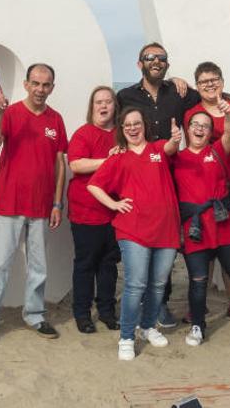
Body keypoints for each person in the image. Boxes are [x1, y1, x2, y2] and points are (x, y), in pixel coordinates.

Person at [116, 42, 207, 328]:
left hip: (173, 177)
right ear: (139, 63)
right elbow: (116, 127)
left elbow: (209, 98)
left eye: (161, 58)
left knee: (166, 239)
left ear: (167, 64)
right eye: (149, 57)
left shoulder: (179, 92)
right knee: (140, 239)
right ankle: (138, 300)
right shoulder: (125, 95)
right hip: (138, 179)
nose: (156, 61)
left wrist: (183, 82)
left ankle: (160, 303)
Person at [0, 64, 68, 343]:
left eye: (46, 84)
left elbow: (60, 164)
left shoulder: (56, 119)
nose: (41, 89)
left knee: (38, 266)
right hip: (9, 202)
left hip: (42, 206)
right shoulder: (12, 112)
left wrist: (57, 203)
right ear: (27, 84)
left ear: (52, 87)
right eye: (36, 83)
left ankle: (35, 315)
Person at [88, 108, 181, 360]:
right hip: (133, 230)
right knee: (136, 284)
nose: (132, 128)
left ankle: (147, 326)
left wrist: (175, 137)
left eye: (136, 123)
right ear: (122, 129)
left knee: (159, 284)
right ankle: (127, 337)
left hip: (167, 229)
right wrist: (114, 204)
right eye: (127, 124)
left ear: (144, 126)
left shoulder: (157, 150)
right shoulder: (118, 158)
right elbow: (93, 185)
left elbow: (172, 146)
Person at [173, 109, 230, 348]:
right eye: (195, 124)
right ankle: (198, 326)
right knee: (198, 279)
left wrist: (228, 115)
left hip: (221, 222)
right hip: (194, 226)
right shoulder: (177, 157)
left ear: (210, 132)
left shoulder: (217, 151)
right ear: (188, 128)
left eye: (205, 126)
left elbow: (229, 135)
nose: (199, 129)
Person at [183, 61, 230, 324]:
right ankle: (198, 306)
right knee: (205, 246)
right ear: (197, 86)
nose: (210, 85)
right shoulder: (191, 113)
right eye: (203, 82)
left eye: (214, 80)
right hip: (206, 189)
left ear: (222, 82)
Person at [67, 86, 121, 334]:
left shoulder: (123, 134)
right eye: (98, 102)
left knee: (109, 265)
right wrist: (107, 161)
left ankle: (107, 311)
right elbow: (76, 164)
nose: (103, 106)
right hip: (86, 212)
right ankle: (82, 313)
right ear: (92, 107)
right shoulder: (84, 133)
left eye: (108, 102)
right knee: (86, 264)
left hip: (115, 212)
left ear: (114, 106)